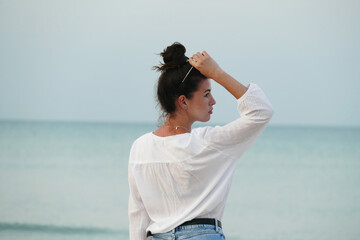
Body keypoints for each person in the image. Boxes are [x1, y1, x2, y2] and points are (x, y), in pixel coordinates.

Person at [128, 42, 274, 240]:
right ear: (183, 101)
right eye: (207, 94)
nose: (213, 101)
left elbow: (138, 214)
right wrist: (217, 72)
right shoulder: (208, 142)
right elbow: (260, 111)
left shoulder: (141, 147)